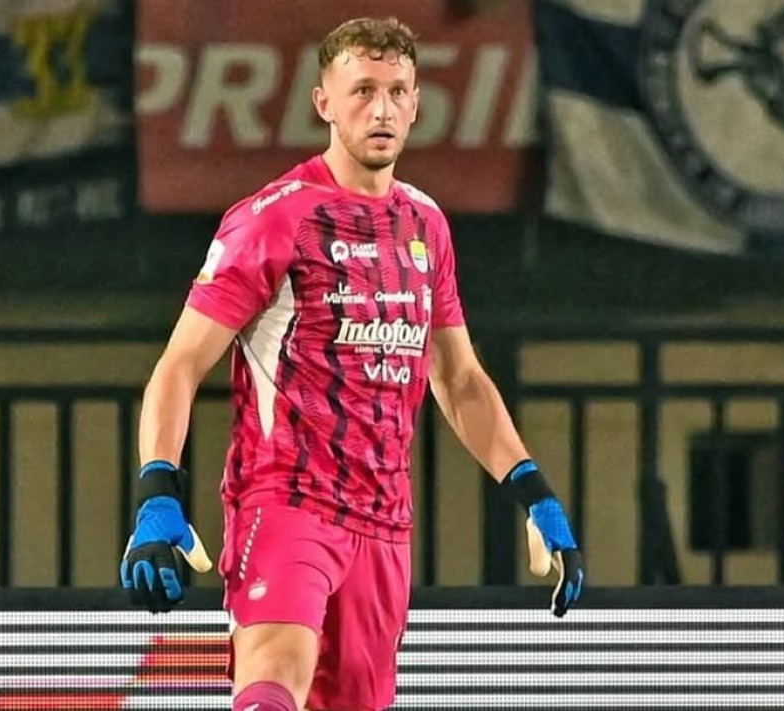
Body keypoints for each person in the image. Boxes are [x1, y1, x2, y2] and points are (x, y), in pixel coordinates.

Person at [119, 16, 585, 711]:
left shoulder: (426, 225)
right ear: (324, 104)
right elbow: (180, 363)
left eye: (397, 91)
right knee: (276, 670)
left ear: (417, 104)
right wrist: (157, 490)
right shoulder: (275, 217)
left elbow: (459, 378)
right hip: (286, 502)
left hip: (386, 524)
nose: (382, 108)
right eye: (362, 90)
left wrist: (534, 492)